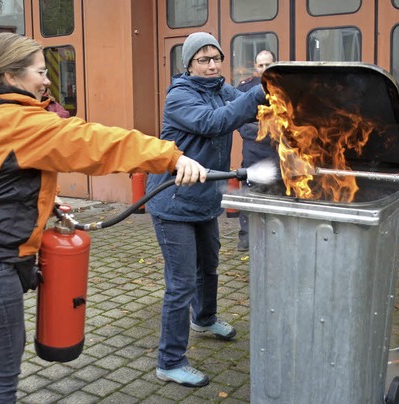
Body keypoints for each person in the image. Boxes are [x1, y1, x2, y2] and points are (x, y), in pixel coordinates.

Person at [0, 32, 207, 404]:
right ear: (11, 77)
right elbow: (93, 141)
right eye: (40, 72)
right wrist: (171, 157)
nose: (46, 80)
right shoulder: (20, 121)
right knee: (0, 377)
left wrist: (44, 202)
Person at [145, 32, 266, 387]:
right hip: (173, 203)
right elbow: (215, 122)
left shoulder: (221, 90)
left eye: (216, 58)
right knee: (181, 283)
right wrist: (259, 92)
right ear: (189, 64)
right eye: (204, 59)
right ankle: (169, 361)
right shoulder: (179, 96)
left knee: (209, 266)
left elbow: (244, 111)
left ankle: (205, 318)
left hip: (204, 201)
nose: (213, 65)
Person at [236, 50, 279, 251]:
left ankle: (274, 237)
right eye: (260, 65)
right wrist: (270, 130)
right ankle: (246, 238)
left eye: (267, 65)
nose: (264, 69)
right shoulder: (244, 89)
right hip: (253, 152)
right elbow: (242, 125)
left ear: (274, 64)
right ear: (255, 67)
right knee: (250, 194)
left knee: (277, 194)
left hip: (277, 154)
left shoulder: (285, 89)